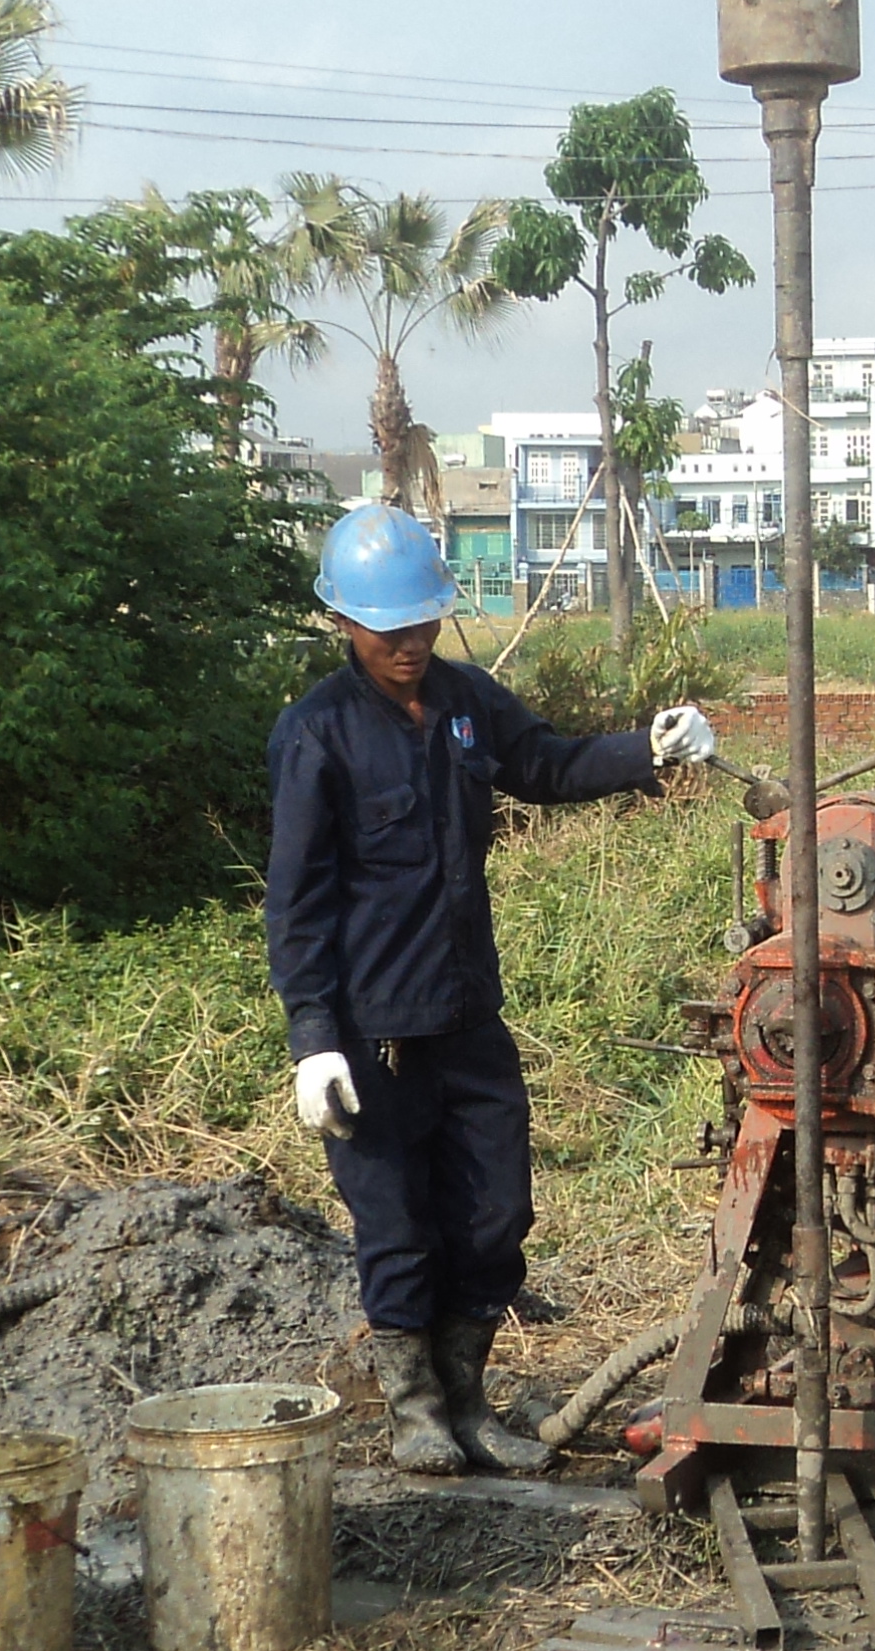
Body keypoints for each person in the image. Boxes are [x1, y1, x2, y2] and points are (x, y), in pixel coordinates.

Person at [265, 508, 714, 1475]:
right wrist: (314, 1041)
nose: (409, 645)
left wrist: (651, 748)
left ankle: (469, 1397)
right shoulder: (317, 736)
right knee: (396, 1226)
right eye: (388, 631)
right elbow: (295, 904)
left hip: (468, 1018)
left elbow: (546, 764)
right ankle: (415, 1409)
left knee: (495, 1214)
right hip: (372, 1036)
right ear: (343, 622)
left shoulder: (468, 703)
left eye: (422, 624)